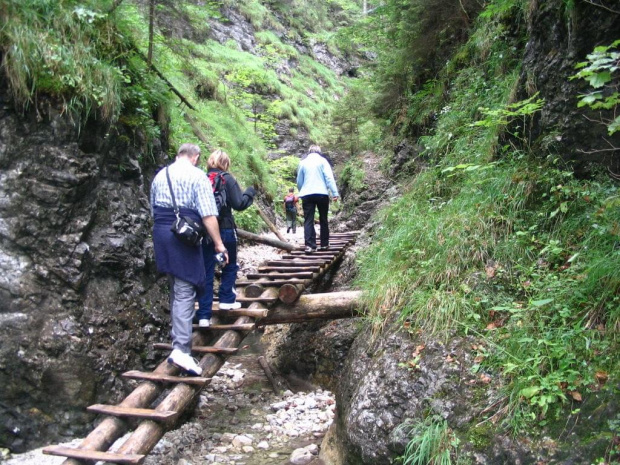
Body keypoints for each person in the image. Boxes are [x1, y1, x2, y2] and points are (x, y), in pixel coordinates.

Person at [150, 143, 228, 376]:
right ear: (195, 158)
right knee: (185, 290)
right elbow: (208, 214)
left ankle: (179, 341)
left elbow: (152, 209)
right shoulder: (197, 176)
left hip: (162, 233)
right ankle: (181, 349)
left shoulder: (159, 175)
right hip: (183, 235)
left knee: (175, 286)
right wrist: (218, 243)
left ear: (178, 156)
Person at [196, 149, 256, 327]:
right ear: (225, 163)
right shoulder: (227, 178)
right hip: (226, 230)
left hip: (205, 232)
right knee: (229, 266)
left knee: (206, 271)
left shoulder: (201, 178)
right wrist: (250, 192)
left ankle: (204, 316)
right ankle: (227, 299)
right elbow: (239, 204)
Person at [297, 145, 339, 253]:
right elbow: (329, 178)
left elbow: (299, 181)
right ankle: (324, 244)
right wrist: (334, 193)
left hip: (307, 194)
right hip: (321, 193)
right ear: (319, 151)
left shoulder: (303, 162)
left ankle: (310, 246)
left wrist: (303, 190)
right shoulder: (323, 161)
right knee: (323, 219)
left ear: (309, 151)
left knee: (308, 220)